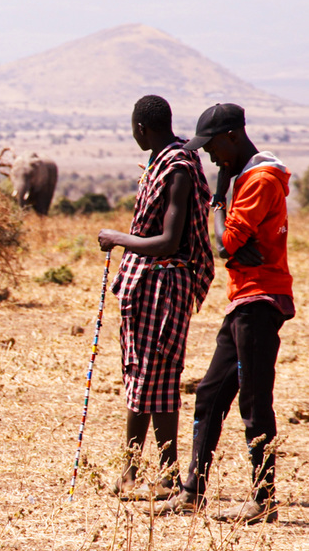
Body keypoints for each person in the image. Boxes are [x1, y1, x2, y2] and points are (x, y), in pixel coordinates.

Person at [154, 103, 294, 523]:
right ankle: (192, 491)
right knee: (209, 394)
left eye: (213, 146)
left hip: (259, 302)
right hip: (243, 302)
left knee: (254, 403)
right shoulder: (247, 176)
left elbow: (226, 242)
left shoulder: (260, 181)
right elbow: (232, 245)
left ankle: (263, 498)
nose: (211, 156)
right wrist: (223, 186)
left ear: (232, 135)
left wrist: (218, 205)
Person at [98, 95, 214, 501]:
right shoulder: (163, 161)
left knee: (156, 379)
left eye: (133, 129)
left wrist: (117, 239)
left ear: (142, 129)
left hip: (164, 286)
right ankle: (145, 473)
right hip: (148, 284)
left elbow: (167, 241)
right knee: (145, 378)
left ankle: (153, 476)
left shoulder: (178, 167)